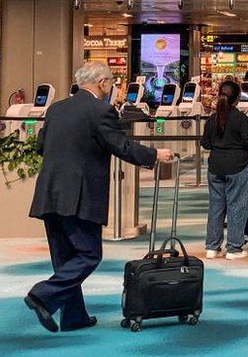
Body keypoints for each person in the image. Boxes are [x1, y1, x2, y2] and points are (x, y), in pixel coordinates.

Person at [25, 62, 173, 333]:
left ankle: (73, 317)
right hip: (80, 196)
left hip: (50, 193)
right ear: (103, 83)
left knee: (64, 258)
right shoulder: (100, 110)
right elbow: (121, 145)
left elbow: (41, 145)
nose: (112, 88)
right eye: (111, 83)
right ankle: (42, 295)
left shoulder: (56, 109)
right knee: (89, 254)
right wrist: (155, 155)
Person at [201, 81, 248, 260]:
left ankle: (212, 247)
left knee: (216, 207)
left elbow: (206, 143)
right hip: (237, 167)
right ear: (238, 98)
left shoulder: (212, 119)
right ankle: (233, 248)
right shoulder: (241, 119)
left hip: (215, 166)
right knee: (237, 207)